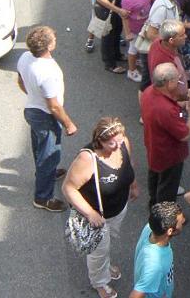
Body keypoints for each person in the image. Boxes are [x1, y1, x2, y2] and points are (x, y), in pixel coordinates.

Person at [62, 117, 139, 298]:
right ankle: (99, 282)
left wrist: (133, 185)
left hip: (119, 209)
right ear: (99, 141)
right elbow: (68, 187)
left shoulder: (123, 143)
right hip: (98, 216)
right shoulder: (87, 158)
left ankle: (104, 265)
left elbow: (129, 165)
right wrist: (90, 213)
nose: (117, 146)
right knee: (98, 251)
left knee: (107, 244)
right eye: (111, 143)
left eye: (119, 140)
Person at [16, 25, 77, 211]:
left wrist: (34, 95)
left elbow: (20, 81)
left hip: (32, 110)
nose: (55, 40)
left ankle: (45, 173)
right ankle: (43, 198)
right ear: (49, 46)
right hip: (45, 115)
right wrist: (68, 124)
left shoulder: (25, 57)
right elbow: (54, 106)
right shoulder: (47, 72)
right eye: (53, 38)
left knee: (39, 147)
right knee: (49, 155)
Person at [140, 62, 190, 207]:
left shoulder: (149, 92)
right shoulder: (166, 110)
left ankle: (153, 204)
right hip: (169, 155)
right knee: (167, 188)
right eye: (177, 79)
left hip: (154, 147)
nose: (181, 80)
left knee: (155, 179)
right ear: (168, 83)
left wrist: (181, 104)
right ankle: (165, 216)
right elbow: (185, 135)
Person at [129, 201, 185, 298]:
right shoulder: (155, 265)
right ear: (170, 231)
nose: (184, 220)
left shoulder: (150, 228)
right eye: (181, 222)